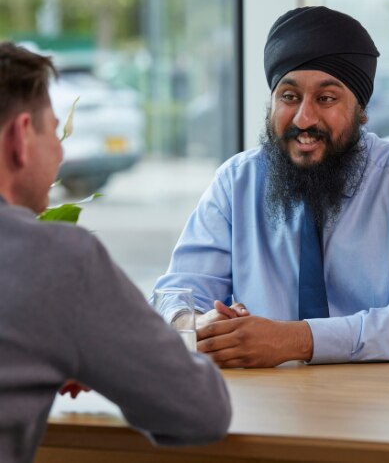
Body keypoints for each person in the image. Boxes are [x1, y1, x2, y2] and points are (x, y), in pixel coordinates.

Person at [153, 6, 389, 368]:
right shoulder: (236, 182)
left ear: (360, 109)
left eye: (326, 98)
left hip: (387, 409)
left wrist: (296, 340)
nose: (304, 118)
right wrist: (195, 326)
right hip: (268, 405)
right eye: (289, 97)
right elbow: (172, 296)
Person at [0, 42, 231, 463]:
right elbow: (201, 410)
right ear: (19, 137)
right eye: (53, 131)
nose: (61, 150)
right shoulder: (55, 262)